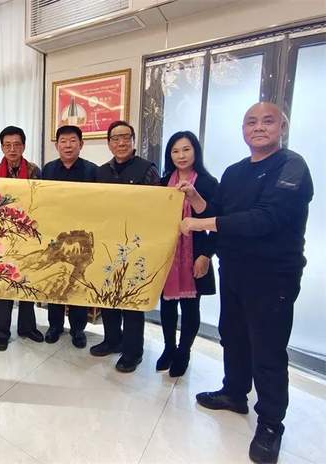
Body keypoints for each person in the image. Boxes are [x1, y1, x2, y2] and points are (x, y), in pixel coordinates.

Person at [180, 102, 313, 464]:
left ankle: (270, 423)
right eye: (251, 122)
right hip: (234, 269)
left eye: (268, 121)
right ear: (243, 130)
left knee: (268, 349)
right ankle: (234, 392)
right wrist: (196, 199)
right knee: (233, 335)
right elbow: (218, 211)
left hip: (273, 274)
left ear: (282, 127)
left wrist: (201, 224)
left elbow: (265, 219)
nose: (259, 127)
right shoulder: (235, 171)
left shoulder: (292, 166)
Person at [91, 121, 160, 373]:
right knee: (108, 295)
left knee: (131, 300)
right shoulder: (100, 172)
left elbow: (156, 207)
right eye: (115, 138)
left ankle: (133, 352)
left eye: (125, 138)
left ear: (133, 140)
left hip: (136, 243)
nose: (121, 143)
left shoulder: (147, 169)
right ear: (109, 143)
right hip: (107, 242)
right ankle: (112, 340)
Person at [156, 131, 218, 377]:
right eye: (175, 151)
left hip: (195, 253)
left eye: (186, 149)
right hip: (168, 254)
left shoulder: (208, 183)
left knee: (191, 307)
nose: (181, 155)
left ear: (195, 152)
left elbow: (217, 222)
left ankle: (184, 352)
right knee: (167, 305)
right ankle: (169, 348)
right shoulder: (163, 182)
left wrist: (206, 255)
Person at [0, 126, 44, 351]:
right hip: (1, 237)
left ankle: (27, 327)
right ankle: (1, 331)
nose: (12, 149)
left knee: (28, 280)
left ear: (24, 146)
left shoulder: (34, 171)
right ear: (1, 147)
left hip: (28, 234)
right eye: (7, 145)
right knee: (3, 283)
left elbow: (41, 201)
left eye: (17, 144)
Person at [41, 125, 97, 349]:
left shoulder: (92, 171)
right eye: (63, 141)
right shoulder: (48, 169)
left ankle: (77, 329)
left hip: (81, 236)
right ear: (57, 145)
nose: (68, 145)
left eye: (73, 141)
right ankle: (55, 326)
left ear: (81, 144)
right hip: (56, 235)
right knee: (56, 277)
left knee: (77, 280)